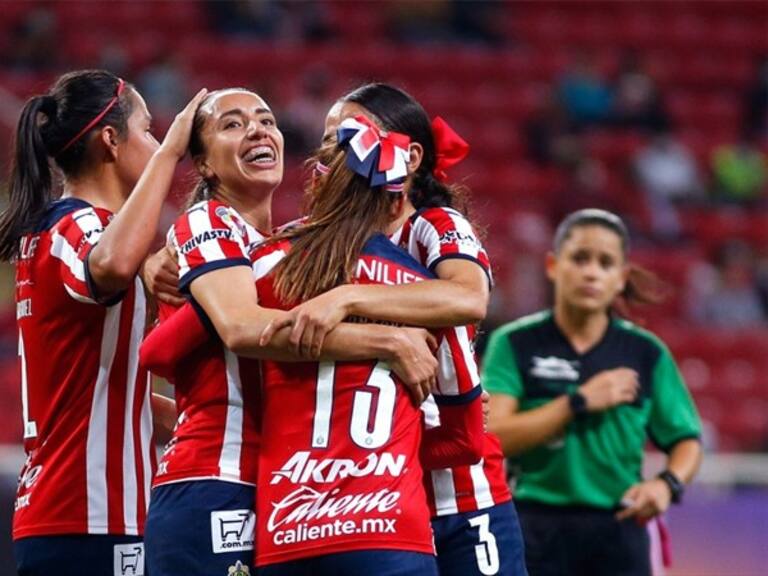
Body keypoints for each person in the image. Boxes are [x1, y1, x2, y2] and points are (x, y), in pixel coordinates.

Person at [138, 87, 440, 576]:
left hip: (277, 486)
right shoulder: (207, 220)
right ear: (205, 165)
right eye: (232, 124)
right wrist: (387, 340)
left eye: (265, 119)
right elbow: (240, 328)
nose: (257, 129)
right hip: (215, 478)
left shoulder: (282, 245)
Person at [262, 82, 527, 576]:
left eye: (349, 137)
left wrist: (346, 297)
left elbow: (468, 297)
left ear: (411, 156)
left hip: (461, 496)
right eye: (328, 141)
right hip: (371, 496)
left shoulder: (433, 225)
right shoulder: (322, 242)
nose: (333, 153)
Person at [0, 69, 206, 575]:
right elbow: (111, 266)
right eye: (148, 130)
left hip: (76, 513)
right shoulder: (79, 225)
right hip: (89, 512)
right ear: (110, 140)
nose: (157, 142)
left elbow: (96, 390)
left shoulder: (52, 233)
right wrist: (169, 155)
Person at [484, 209, 703, 576]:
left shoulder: (645, 352)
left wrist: (666, 485)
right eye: (580, 258)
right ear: (553, 266)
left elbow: (686, 440)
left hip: (620, 526)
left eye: (605, 263)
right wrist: (578, 401)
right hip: (533, 526)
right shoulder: (515, 343)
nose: (591, 272)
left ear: (621, 278)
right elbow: (494, 437)